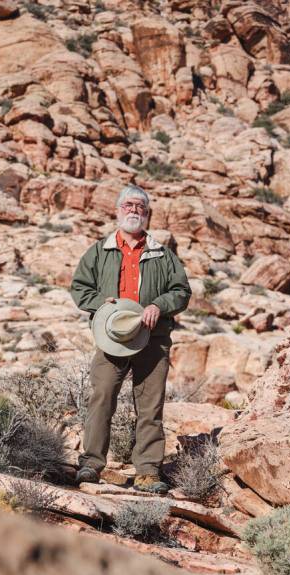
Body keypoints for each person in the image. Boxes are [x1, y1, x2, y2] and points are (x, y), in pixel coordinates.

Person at [70, 185, 192, 493]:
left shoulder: (163, 254)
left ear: (148, 215)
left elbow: (181, 292)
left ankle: (148, 472)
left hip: (153, 339)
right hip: (112, 338)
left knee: (150, 406)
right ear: (117, 211)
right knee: (102, 398)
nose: (134, 210)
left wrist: (158, 305)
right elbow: (80, 288)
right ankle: (91, 464)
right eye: (128, 205)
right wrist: (101, 304)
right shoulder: (100, 251)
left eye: (140, 207)